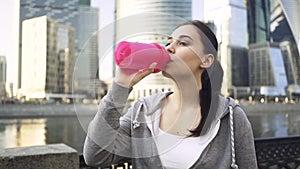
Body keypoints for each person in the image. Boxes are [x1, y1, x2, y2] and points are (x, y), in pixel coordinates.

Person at [83, 20, 258, 169]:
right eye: (169, 42)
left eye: (182, 43)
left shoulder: (231, 117)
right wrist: (121, 84)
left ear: (206, 60)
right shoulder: (142, 112)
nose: (169, 48)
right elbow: (96, 156)